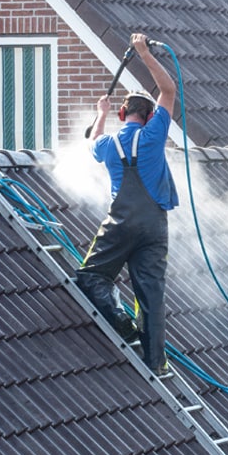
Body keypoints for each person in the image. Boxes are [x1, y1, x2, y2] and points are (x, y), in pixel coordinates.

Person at [76, 33, 178, 375]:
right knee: (151, 295)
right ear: (150, 117)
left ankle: (120, 322)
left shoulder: (107, 144)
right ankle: (156, 363)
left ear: (123, 114)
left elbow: (92, 141)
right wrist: (144, 54)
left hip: (119, 224)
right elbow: (169, 91)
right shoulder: (154, 135)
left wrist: (100, 113)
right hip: (154, 227)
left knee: (91, 276)